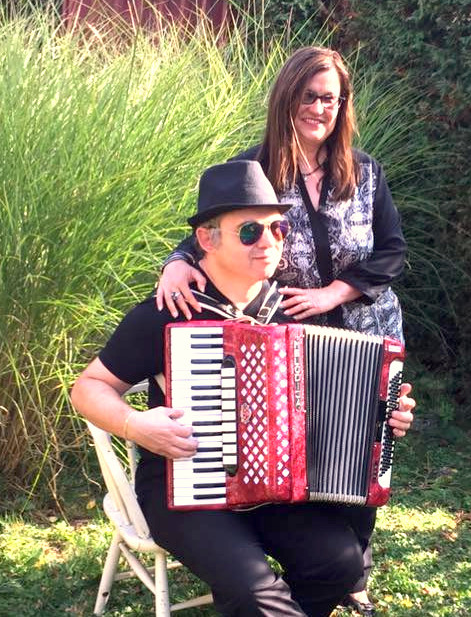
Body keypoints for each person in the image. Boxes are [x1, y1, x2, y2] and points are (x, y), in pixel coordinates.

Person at [71, 160, 416, 617]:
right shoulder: (167, 314)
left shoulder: (288, 316)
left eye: (278, 228)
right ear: (207, 239)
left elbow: (331, 406)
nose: (269, 241)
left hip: (272, 490)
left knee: (341, 563)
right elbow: (88, 387)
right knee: (253, 592)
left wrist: (385, 415)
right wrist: (135, 425)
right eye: (250, 232)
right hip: (186, 490)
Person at [155, 46, 405, 616]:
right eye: (309, 96)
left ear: (343, 106)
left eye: (331, 99)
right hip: (284, 340)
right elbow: (211, 231)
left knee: (360, 453)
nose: (320, 108)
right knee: (298, 450)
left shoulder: (364, 170)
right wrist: (175, 262)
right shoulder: (254, 169)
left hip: (367, 333)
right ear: (287, 98)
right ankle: (300, 560)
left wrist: (335, 292)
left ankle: (350, 570)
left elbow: (391, 251)